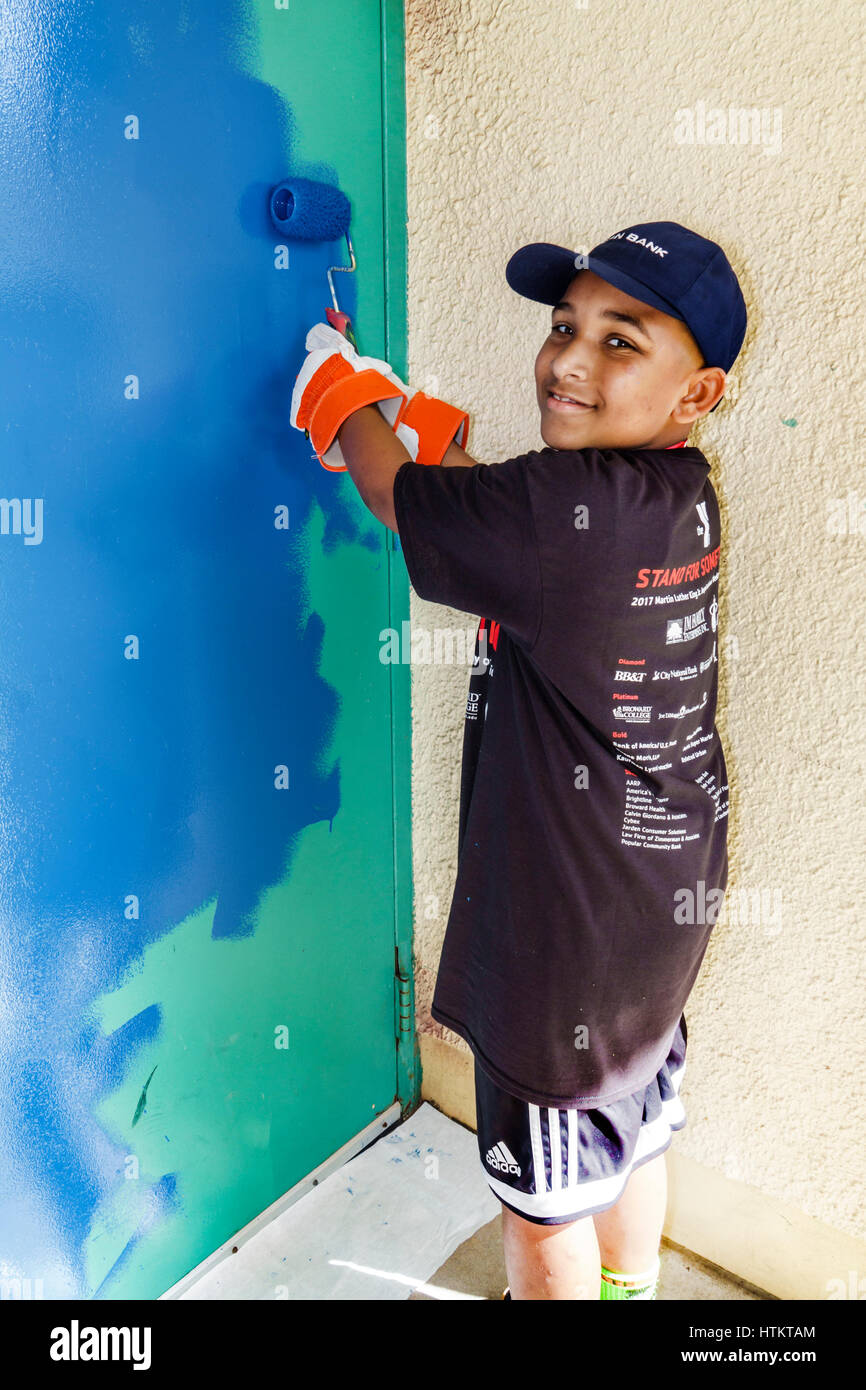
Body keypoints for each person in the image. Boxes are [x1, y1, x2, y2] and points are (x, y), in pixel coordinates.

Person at [291, 220, 747, 1301]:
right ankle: (630, 1290)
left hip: (560, 951)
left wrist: (340, 392)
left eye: (620, 340)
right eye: (562, 326)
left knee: (542, 1206)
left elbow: (395, 496)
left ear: (699, 392)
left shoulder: (551, 514)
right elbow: (522, 531)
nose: (568, 359)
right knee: (630, 1132)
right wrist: (428, 432)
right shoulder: (671, 493)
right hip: (654, 911)